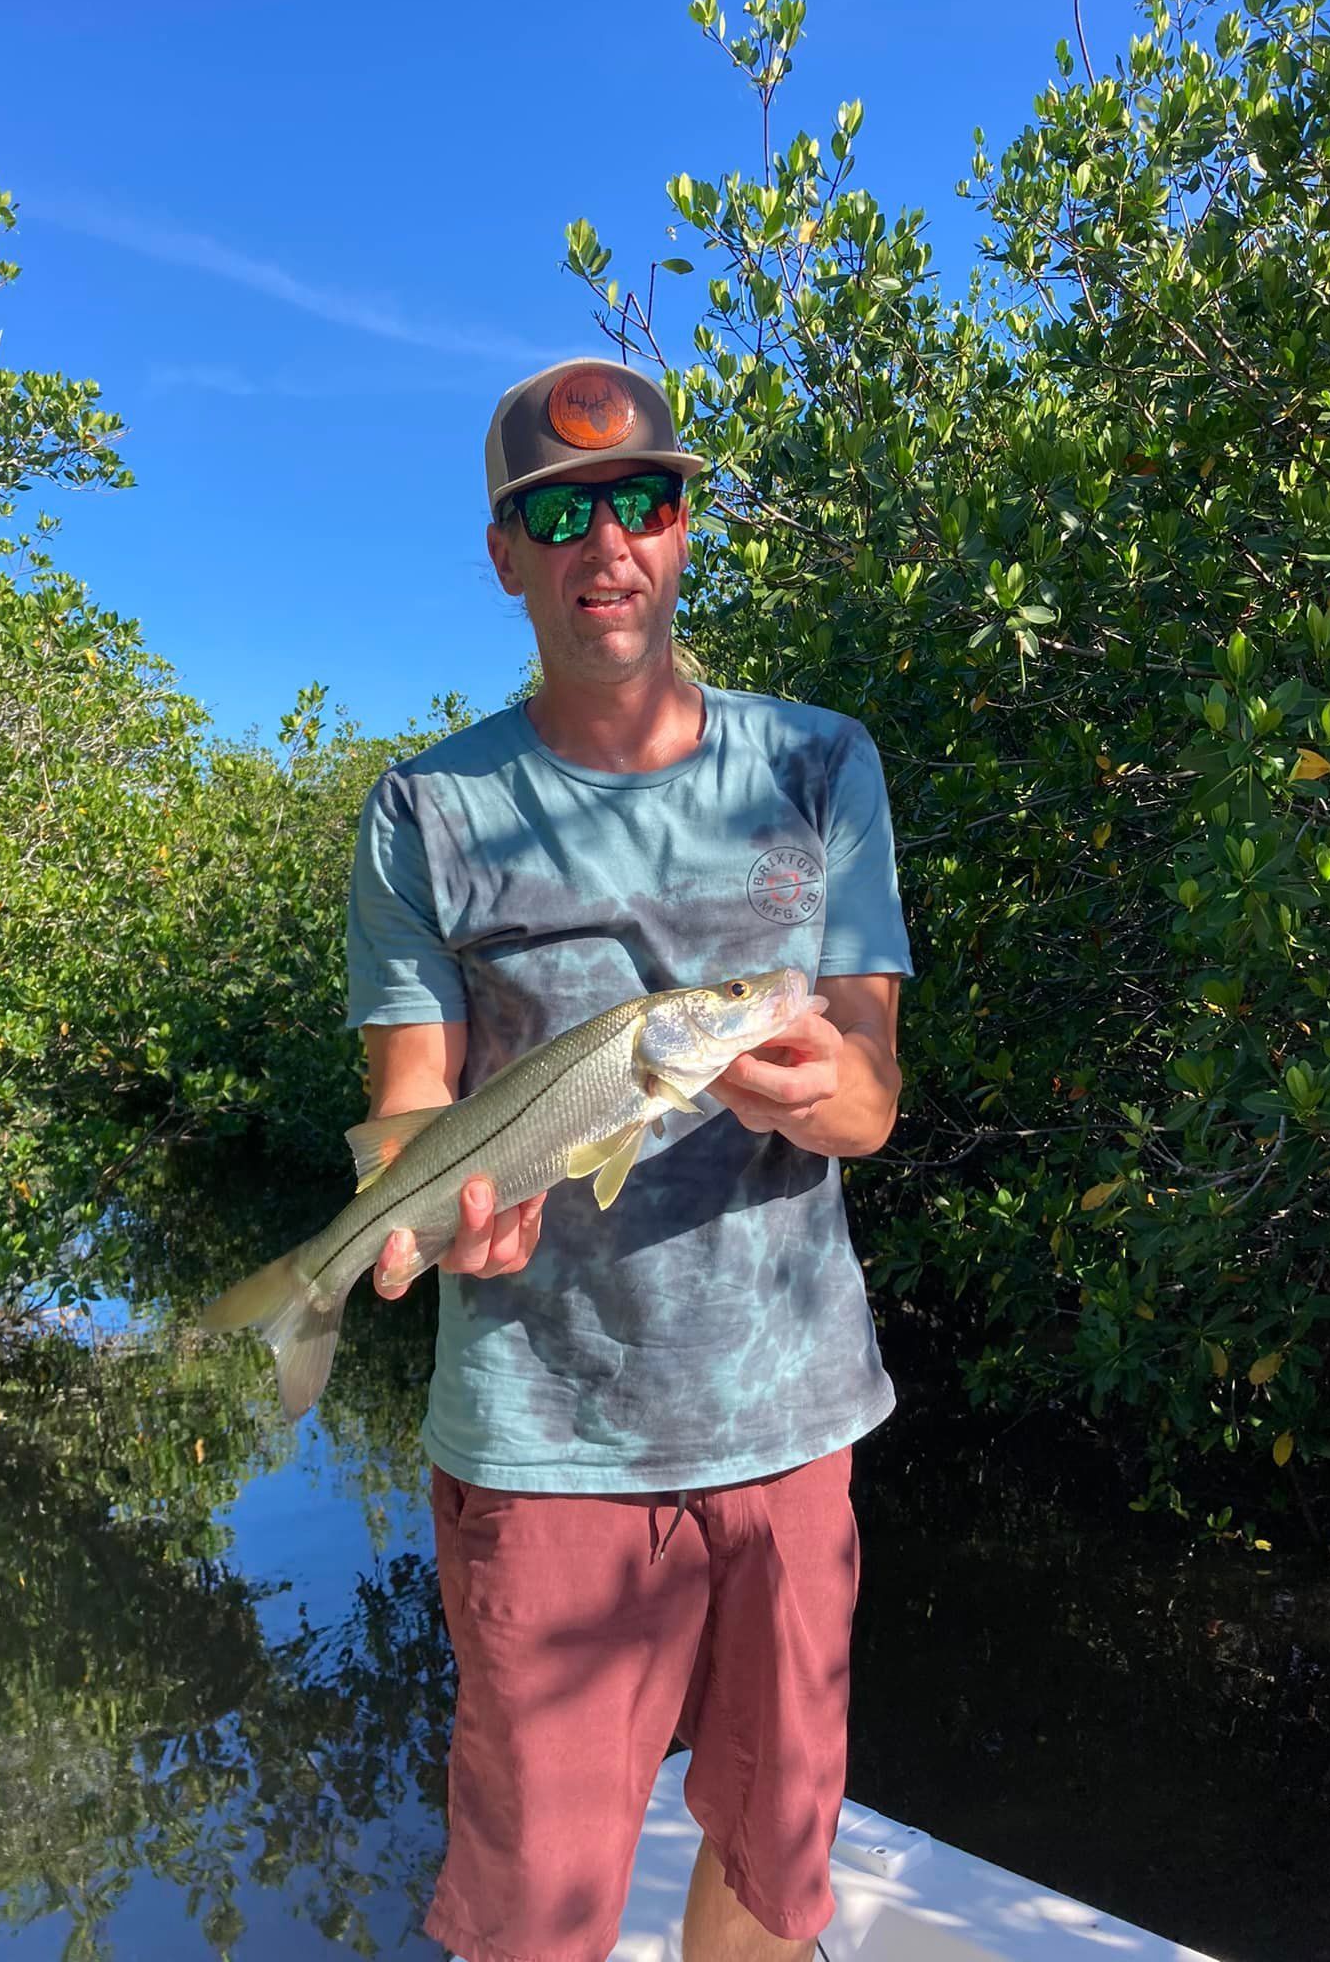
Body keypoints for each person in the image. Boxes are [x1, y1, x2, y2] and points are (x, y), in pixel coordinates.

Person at [345, 357, 912, 1962]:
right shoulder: (425, 809)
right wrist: (437, 1216)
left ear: (682, 532)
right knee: (536, 1914)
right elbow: (406, 1108)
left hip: (793, 1423)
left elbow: (872, 1098)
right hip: (542, 1442)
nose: (612, 542)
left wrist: (814, 1092)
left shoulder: (821, 765)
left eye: (645, 502)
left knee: (772, 1848)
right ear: (510, 556)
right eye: (563, 512)